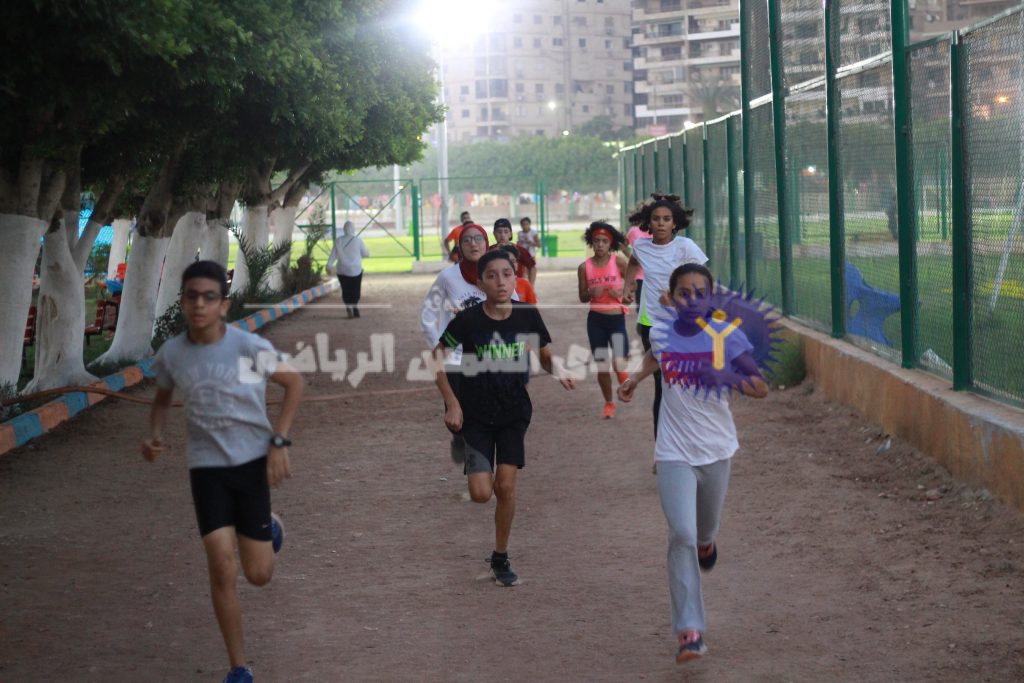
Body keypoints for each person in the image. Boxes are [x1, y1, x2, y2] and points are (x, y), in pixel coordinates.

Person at [142, 260, 304, 683]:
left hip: (251, 462)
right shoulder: (173, 353)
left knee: (258, 575)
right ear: (182, 302)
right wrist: (155, 435)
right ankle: (238, 667)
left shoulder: (248, 348)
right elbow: (162, 398)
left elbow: (294, 383)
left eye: (209, 297)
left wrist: (279, 440)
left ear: (223, 305)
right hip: (207, 468)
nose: (199, 304)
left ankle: (269, 527)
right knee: (219, 564)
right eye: (191, 296)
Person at [618, 263, 768, 664]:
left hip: (717, 449)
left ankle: (708, 541)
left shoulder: (725, 335)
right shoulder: (664, 330)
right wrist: (634, 378)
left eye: (700, 293)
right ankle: (690, 630)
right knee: (680, 534)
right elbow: (654, 355)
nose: (691, 300)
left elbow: (760, 388)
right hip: (672, 451)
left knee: (702, 531)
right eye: (683, 293)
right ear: (673, 296)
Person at [432, 249, 575, 587]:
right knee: (482, 493)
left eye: (507, 274)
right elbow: (435, 359)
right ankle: (471, 457)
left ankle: (500, 555)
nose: (501, 281)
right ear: (479, 282)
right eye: (492, 275)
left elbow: (544, 356)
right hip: (476, 415)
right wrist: (452, 402)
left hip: (513, 412)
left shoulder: (526, 314)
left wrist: (559, 370)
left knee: (506, 487)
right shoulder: (468, 321)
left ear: (516, 278)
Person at [421, 224, 510, 464]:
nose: (473, 243)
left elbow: (516, 306)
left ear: (487, 244)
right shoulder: (448, 278)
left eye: (478, 238)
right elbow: (428, 314)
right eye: (467, 240)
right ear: (459, 246)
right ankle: (460, 438)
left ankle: (479, 464)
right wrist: (439, 346)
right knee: (457, 415)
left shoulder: (498, 273)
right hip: (456, 359)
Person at [622, 194, 707, 438]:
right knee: (662, 384)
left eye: (666, 219)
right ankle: (664, 447)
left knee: (685, 384)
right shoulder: (641, 247)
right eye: (656, 219)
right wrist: (628, 286)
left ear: (675, 223)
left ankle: (691, 438)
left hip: (684, 324)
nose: (660, 223)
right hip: (652, 324)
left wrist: (680, 302)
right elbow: (633, 263)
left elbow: (703, 283)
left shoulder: (685, 248)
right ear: (648, 223)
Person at [577, 221, 630, 419]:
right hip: (596, 320)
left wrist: (623, 292)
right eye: (596, 241)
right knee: (602, 365)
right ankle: (609, 403)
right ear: (591, 243)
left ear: (610, 244)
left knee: (618, 363)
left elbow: (633, 282)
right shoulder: (584, 267)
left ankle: (625, 382)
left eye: (604, 241)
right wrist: (591, 292)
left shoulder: (618, 263)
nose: (600, 245)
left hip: (616, 319)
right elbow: (582, 297)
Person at [326, 220, 370, 318]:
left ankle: (348, 306)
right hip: (356, 271)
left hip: (342, 270)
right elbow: (366, 254)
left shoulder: (338, 240)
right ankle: (355, 306)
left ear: (344, 230)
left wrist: (328, 265)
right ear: (353, 229)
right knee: (355, 289)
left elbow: (333, 255)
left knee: (345, 289)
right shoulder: (358, 240)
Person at [622, 202, 652, 314]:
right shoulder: (634, 231)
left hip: (656, 274)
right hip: (640, 275)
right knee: (641, 308)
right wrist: (632, 258)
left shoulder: (656, 230)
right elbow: (623, 245)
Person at [517, 217, 540, 285]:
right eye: (523, 224)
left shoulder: (533, 233)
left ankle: (531, 286)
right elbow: (519, 243)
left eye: (526, 224)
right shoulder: (520, 233)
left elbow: (539, 244)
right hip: (522, 256)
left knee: (531, 271)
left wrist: (530, 242)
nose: (525, 226)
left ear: (529, 224)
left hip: (531, 255)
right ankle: (524, 285)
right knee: (523, 272)